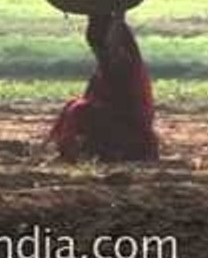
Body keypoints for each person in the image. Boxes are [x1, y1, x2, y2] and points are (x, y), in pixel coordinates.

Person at [46, 11, 160, 163]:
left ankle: (68, 154)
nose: (98, 54)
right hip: (116, 129)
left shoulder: (125, 67)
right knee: (74, 106)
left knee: (78, 110)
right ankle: (63, 149)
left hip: (131, 136)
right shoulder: (107, 67)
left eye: (100, 50)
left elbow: (129, 112)